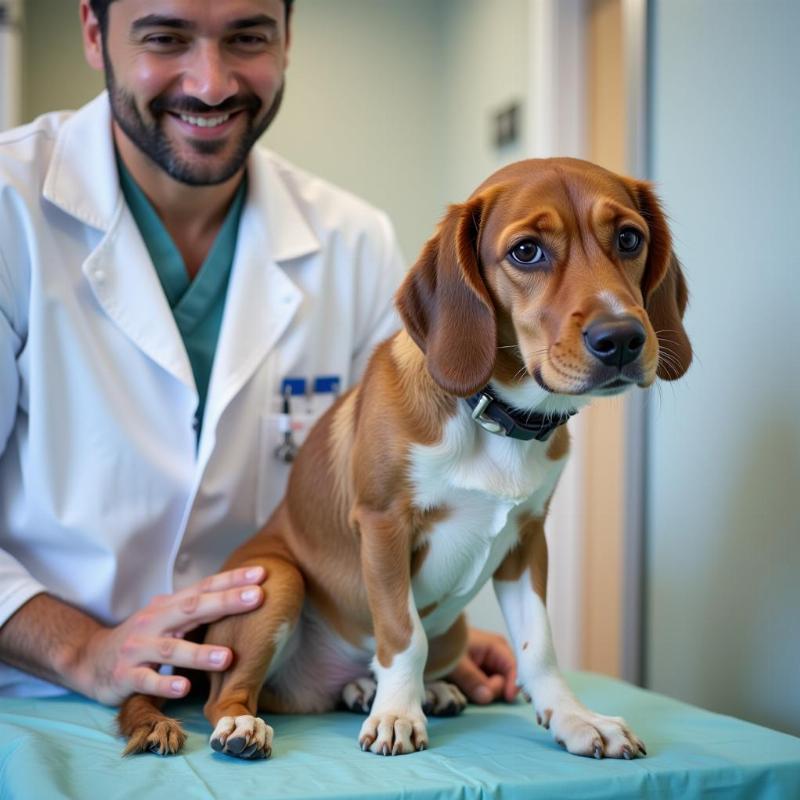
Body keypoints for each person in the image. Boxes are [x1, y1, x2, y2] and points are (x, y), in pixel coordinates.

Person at [0, 0, 516, 710]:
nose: (211, 84)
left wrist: (425, 628)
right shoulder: (11, 209)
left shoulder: (353, 243)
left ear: (287, 38)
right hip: (41, 695)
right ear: (95, 32)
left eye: (247, 37)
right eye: (165, 37)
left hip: (284, 685)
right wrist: (82, 650)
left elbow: (398, 491)